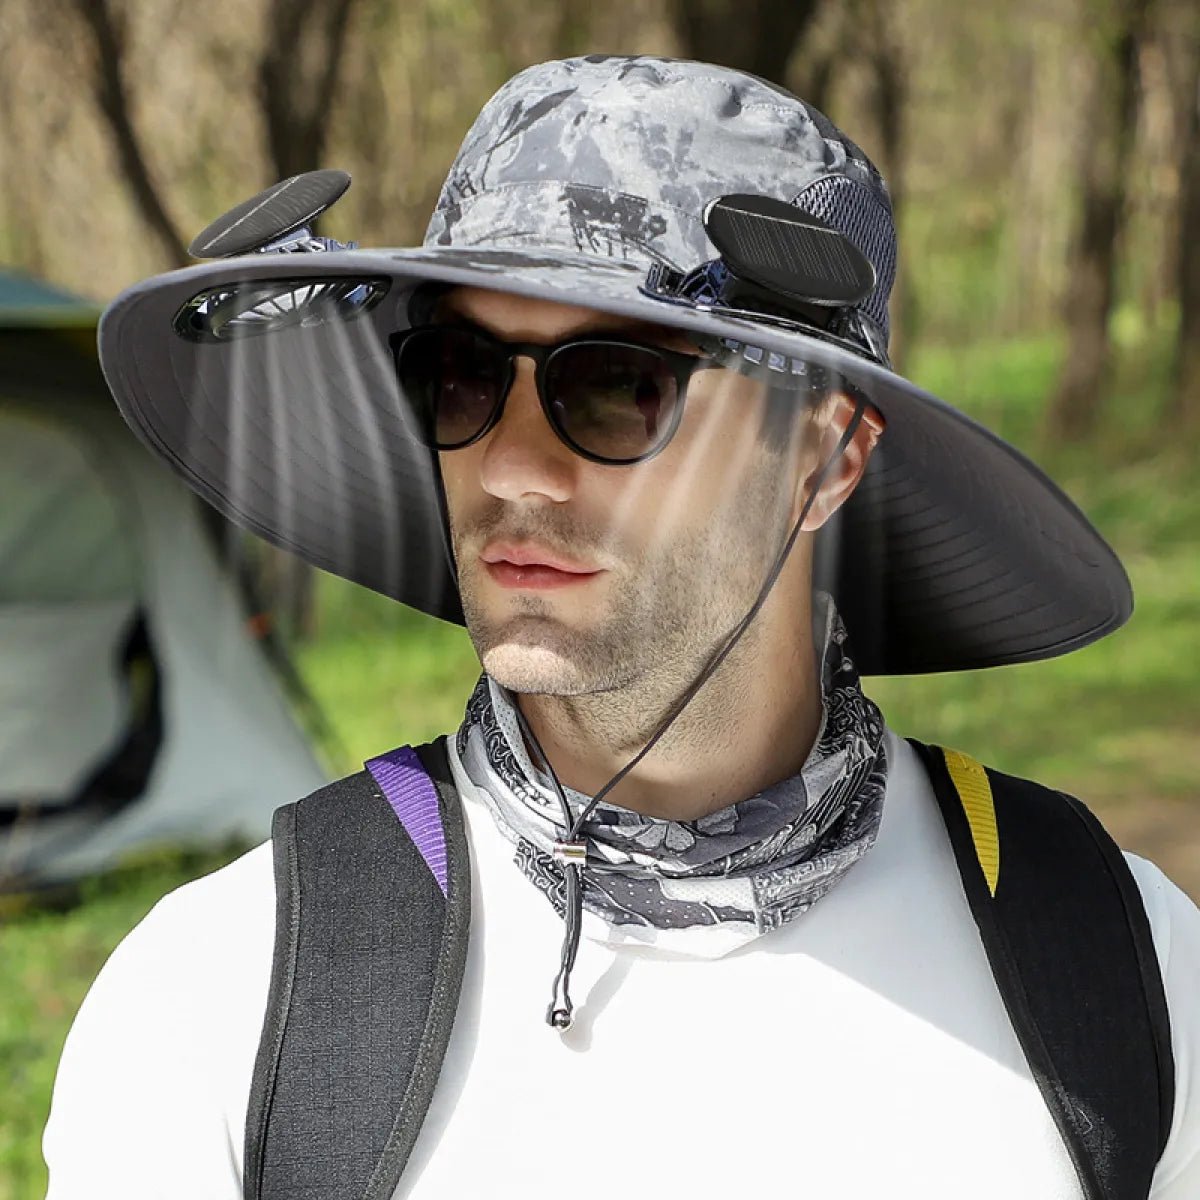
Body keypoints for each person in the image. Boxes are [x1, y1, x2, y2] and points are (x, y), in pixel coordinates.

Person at [43, 55, 1199, 1199]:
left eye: (616, 385)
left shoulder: (1114, 962)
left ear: (827, 455)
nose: (510, 468)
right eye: (459, 373)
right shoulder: (227, 996)